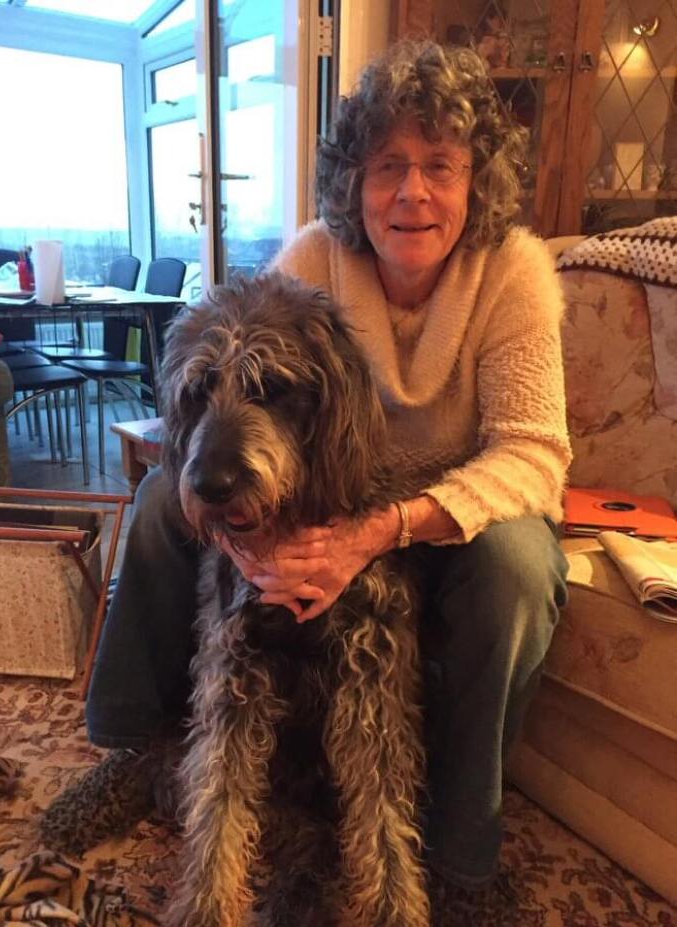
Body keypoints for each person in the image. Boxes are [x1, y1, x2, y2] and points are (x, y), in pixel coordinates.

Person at [40, 39, 570, 903]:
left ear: (477, 182)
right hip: (327, 491)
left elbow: (533, 453)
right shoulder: (316, 256)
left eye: (440, 165)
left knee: (517, 567)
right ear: (354, 182)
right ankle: (137, 745)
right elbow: (230, 369)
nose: (412, 190)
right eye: (388, 165)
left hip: (449, 516)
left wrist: (378, 531)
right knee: (164, 498)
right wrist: (253, 546)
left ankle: (461, 849)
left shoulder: (514, 273)